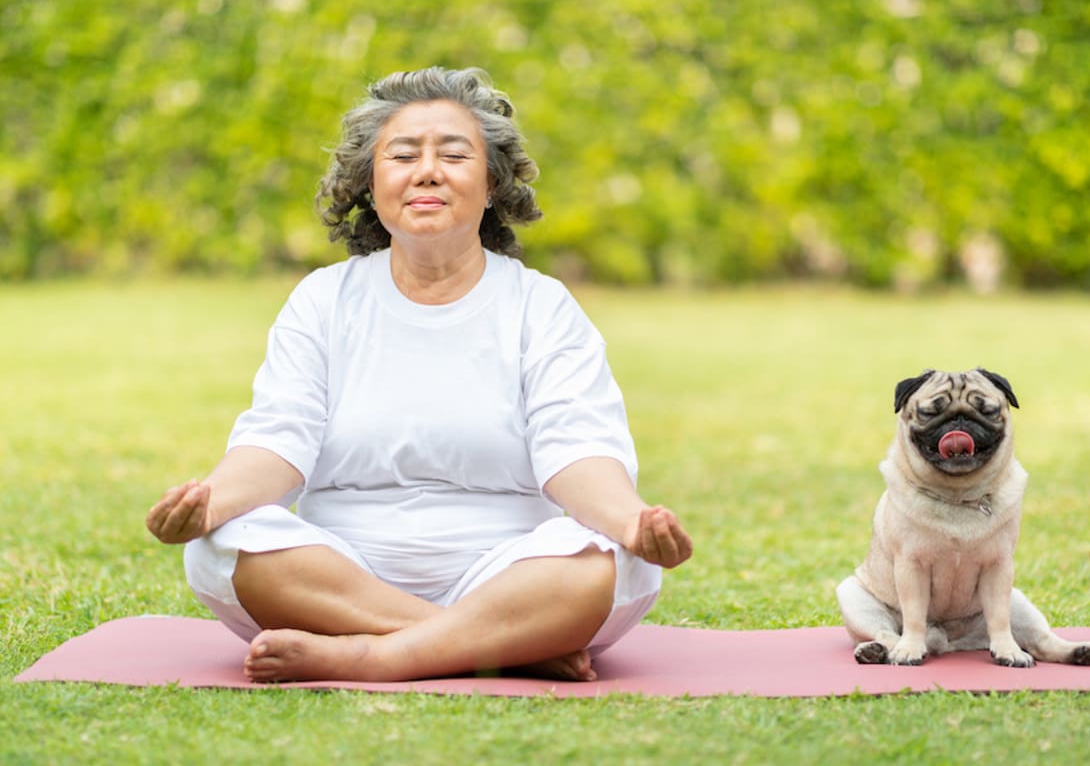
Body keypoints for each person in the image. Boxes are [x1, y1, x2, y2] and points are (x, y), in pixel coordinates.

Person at [145, 66, 693, 683]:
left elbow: (577, 447)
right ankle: (498, 643)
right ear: (371, 184)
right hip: (342, 573)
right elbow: (279, 438)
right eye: (403, 154)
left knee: (615, 561)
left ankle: (375, 654)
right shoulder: (324, 299)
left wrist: (630, 522)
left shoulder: (541, 305)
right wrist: (208, 503)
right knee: (219, 546)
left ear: (491, 186)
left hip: (509, 570)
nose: (427, 170)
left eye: (454, 155)